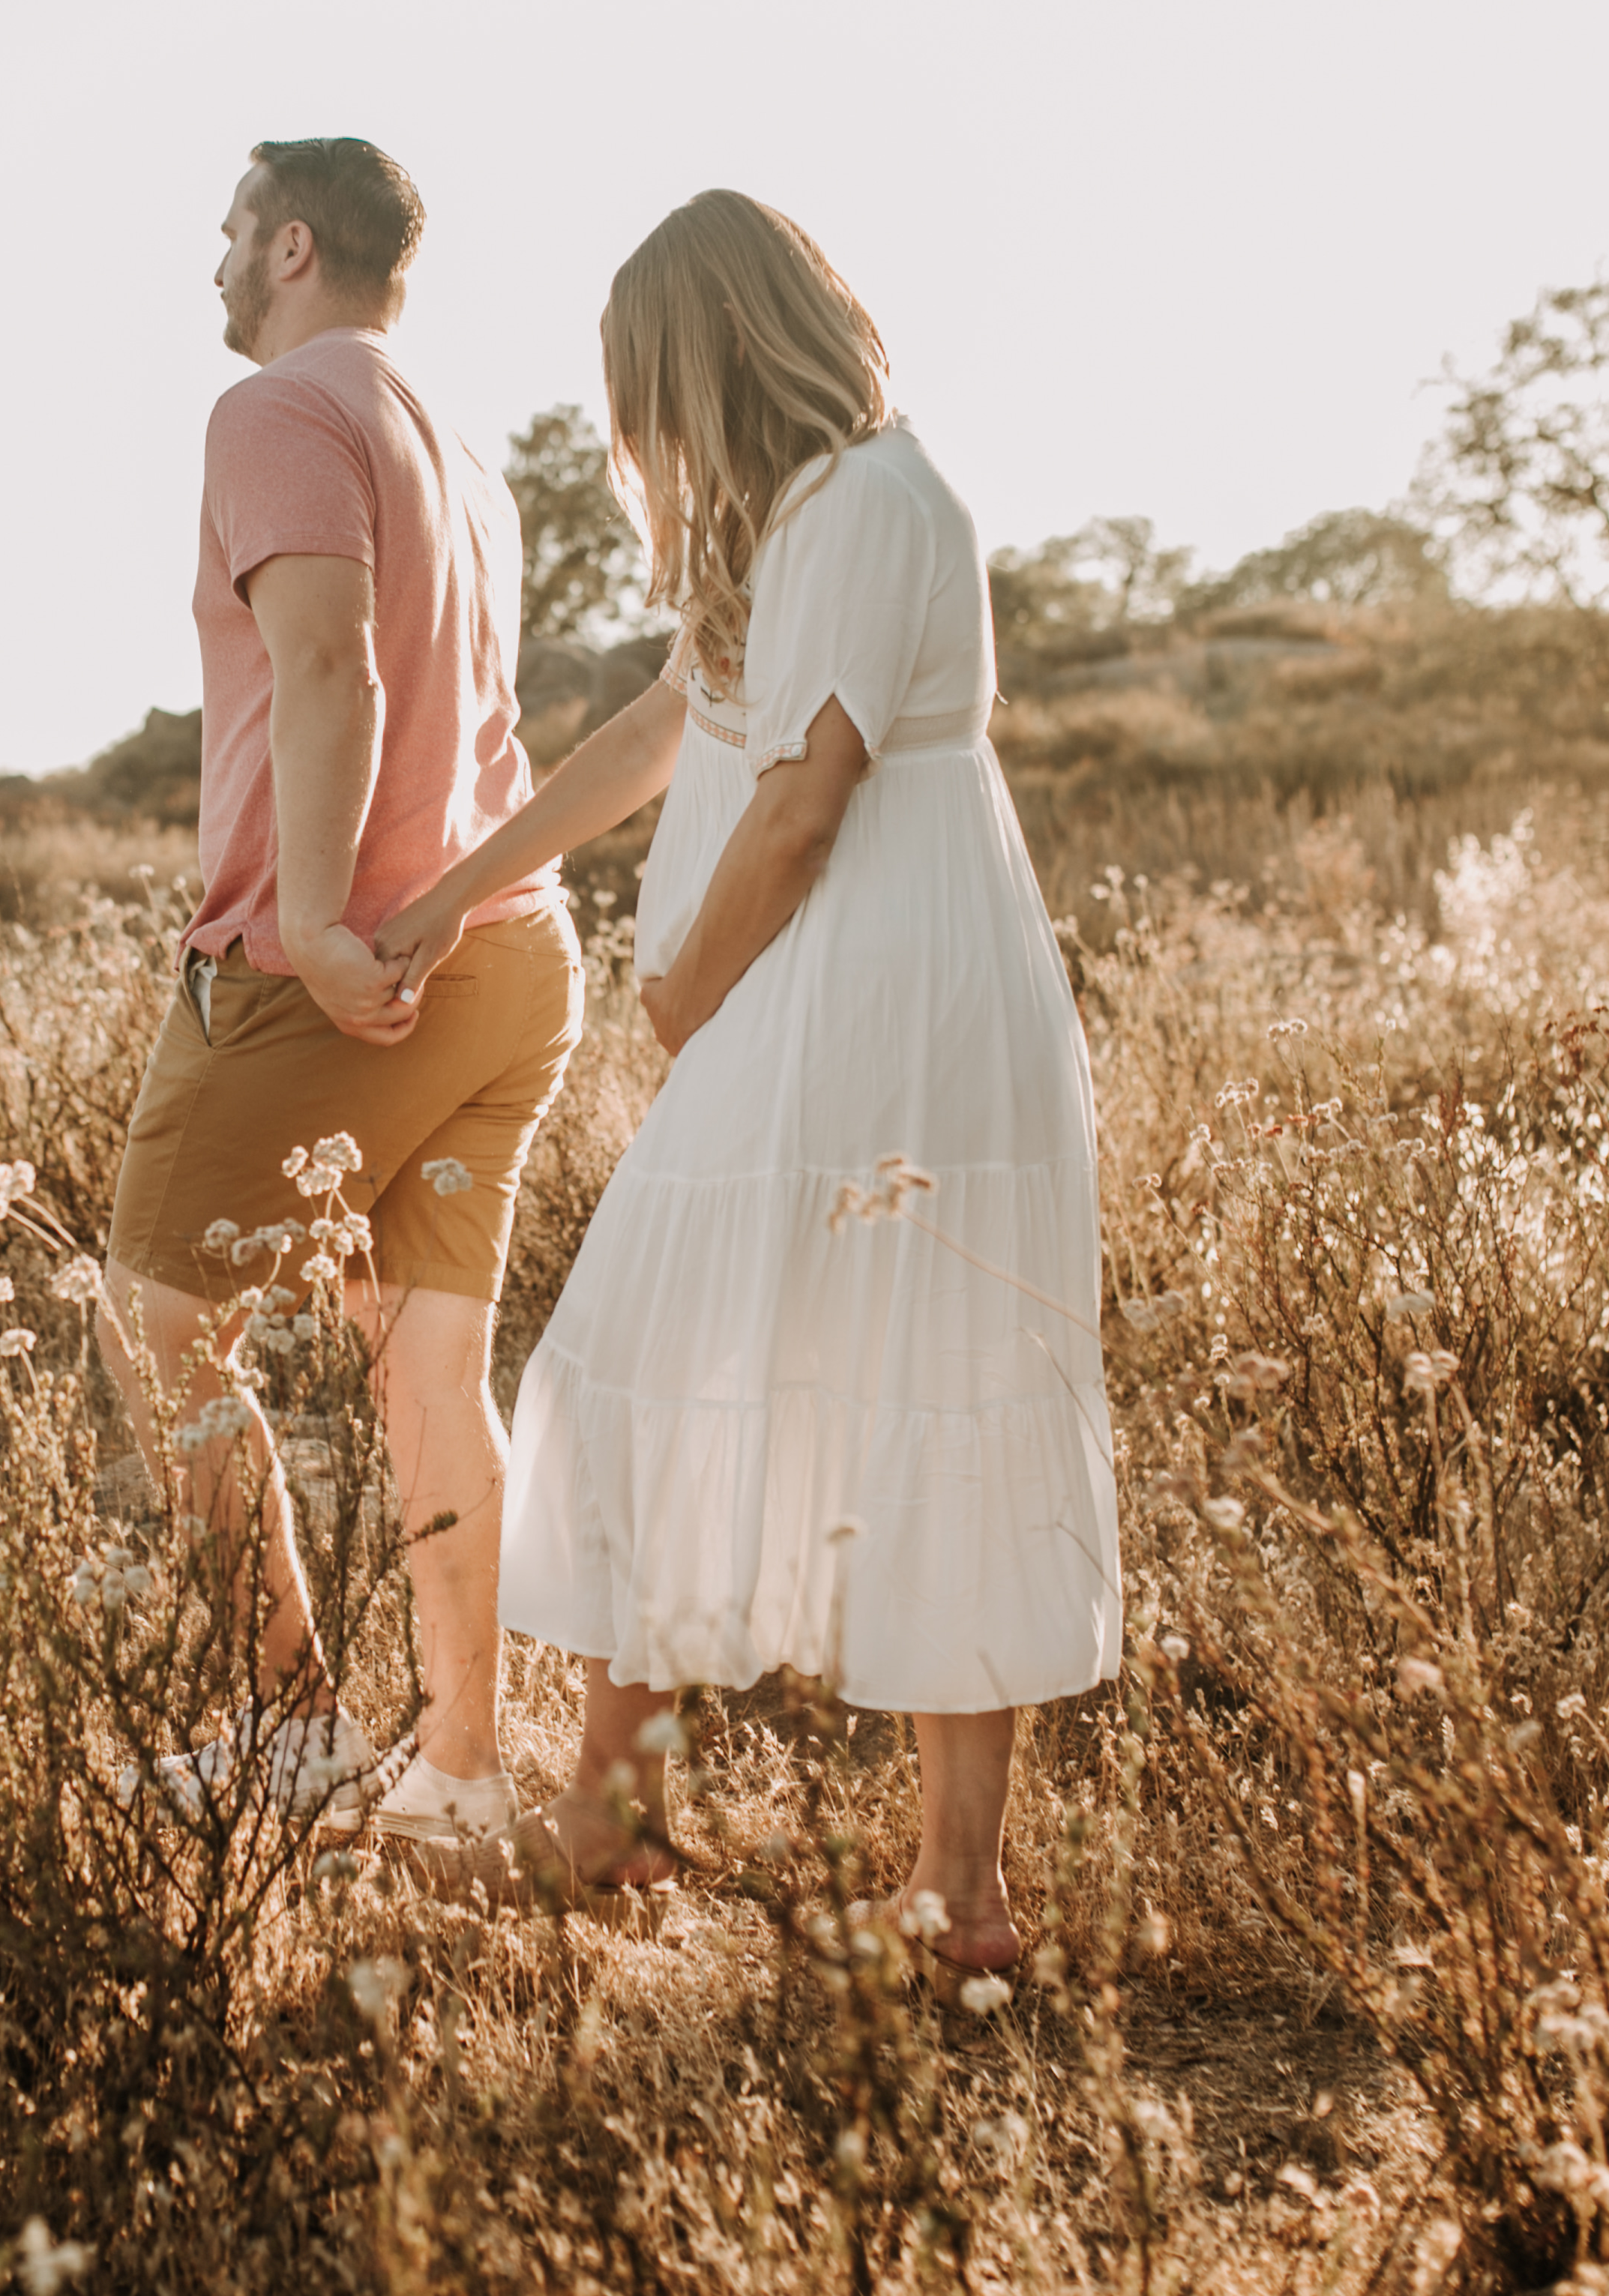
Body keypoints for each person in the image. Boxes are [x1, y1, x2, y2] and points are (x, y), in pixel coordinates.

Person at [373, 190, 1119, 1974]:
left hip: (881, 980)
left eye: (645, 387)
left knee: (924, 1374)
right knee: (670, 1352)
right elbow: (665, 733)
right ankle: (615, 1821)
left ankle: (958, 1893)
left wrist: (686, 994)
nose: (638, 431)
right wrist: (452, 892)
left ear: (710, 357)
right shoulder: (780, 523)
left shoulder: (875, 495)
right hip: (821, 977)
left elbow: (805, 798)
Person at [96, 137, 582, 1848]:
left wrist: (308, 917)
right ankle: (459, 1773)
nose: (215, 263)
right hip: (508, 955)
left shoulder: (276, 413)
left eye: (232, 230)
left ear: (293, 243)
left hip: (345, 972)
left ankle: (298, 1732)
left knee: (157, 1339)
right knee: (432, 1372)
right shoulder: (462, 450)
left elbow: (327, 660)